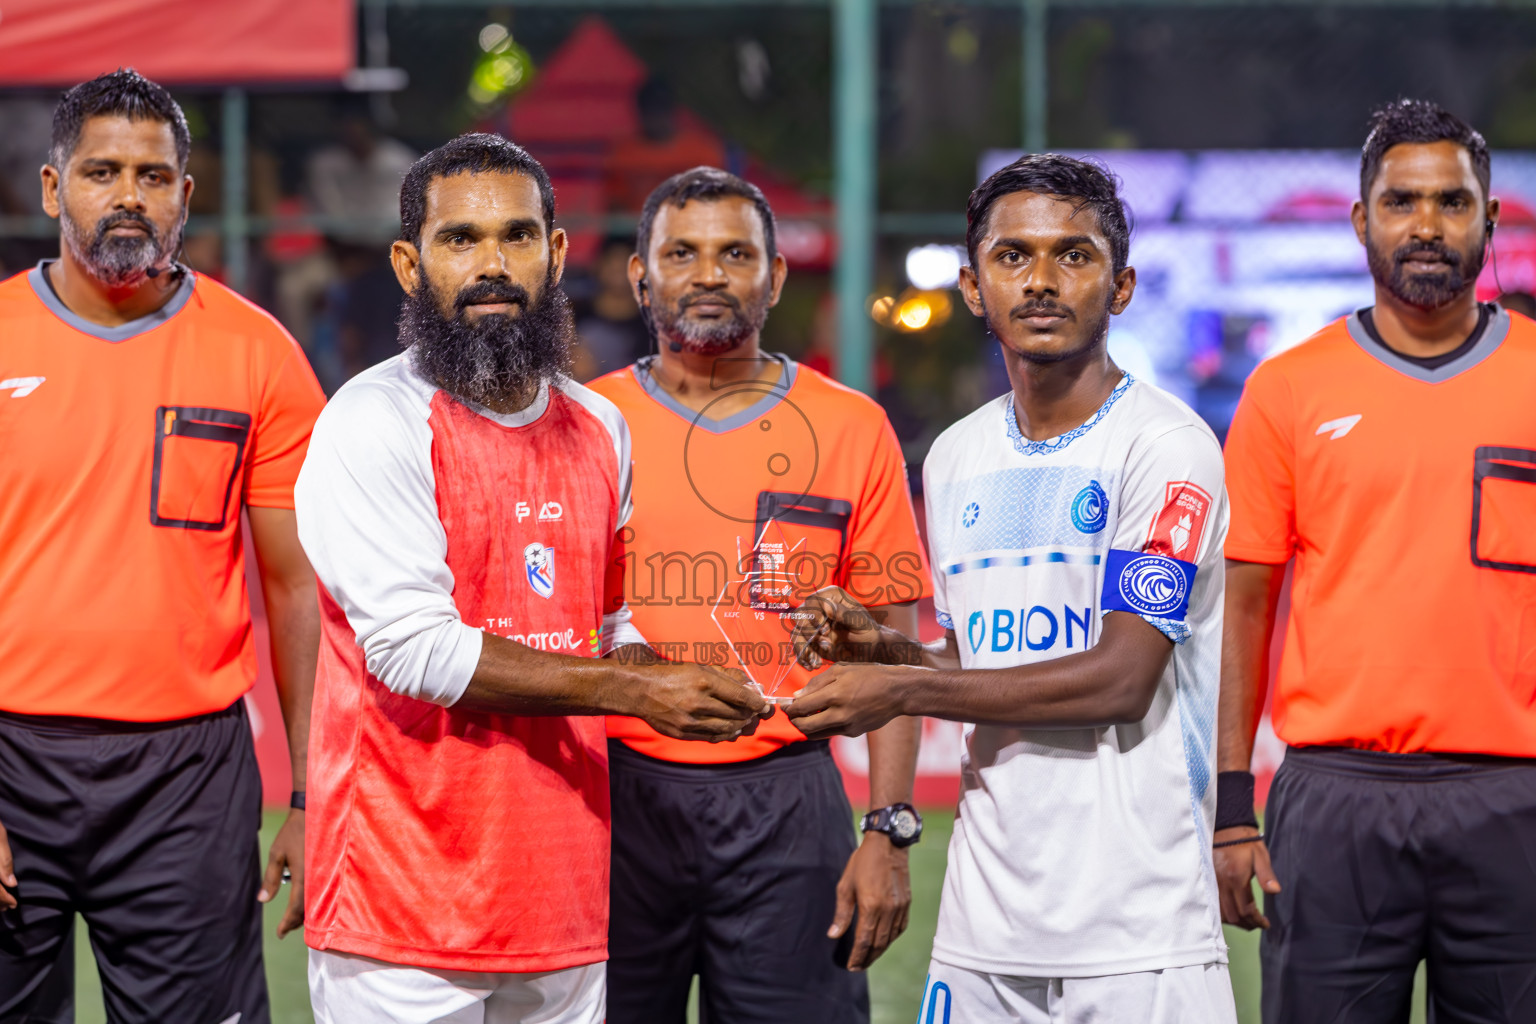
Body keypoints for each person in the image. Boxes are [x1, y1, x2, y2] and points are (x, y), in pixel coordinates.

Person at [295, 135, 766, 1024]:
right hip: (402, 903)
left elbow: (608, 622)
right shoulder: (369, 423)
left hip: (560, 895)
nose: (492, 266)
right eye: (460, 240)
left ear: (555, 253)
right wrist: (637, 692)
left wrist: (697, 677)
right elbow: (413, 652)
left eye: (516, 236)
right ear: (409, 262)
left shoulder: (600, 427)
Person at [786, 154, 1236, 1023]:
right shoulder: (955, 455)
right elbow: (979, 661)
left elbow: (1120, 677)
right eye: (1012, 256)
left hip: (1140, 938)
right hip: (982, 931)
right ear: (971, 284)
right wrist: (882, 648)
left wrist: (904, 682)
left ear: (1124, 285)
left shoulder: (1167, 448)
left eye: (1074, 256)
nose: (1040, 281)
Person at [0, 69, 324, 1022]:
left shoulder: (258, 353)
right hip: (10, 760)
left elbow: (296, 591)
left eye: (154, 174)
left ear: (187, 194)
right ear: (55, 189)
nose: (129, 195)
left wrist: (307, 795)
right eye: (102, 171)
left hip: (188, 778)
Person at [1215, 99, 1536, 1024]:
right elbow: (1245, 607)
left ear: (1490, 217)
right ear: (1362, 220)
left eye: (1451, 201)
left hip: (1514, 796)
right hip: (1338, 798)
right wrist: (1236, 804)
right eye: (1400, 201)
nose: (1426, 225)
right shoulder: (1287, 389)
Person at [587, 166, 928, 1023]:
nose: (708, 273)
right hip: (611, 801)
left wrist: (888, 827)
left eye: (735, 253)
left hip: (789, 800)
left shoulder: (851, 427)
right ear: (640, 277)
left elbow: (892, 644)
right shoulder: (583, 426)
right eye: (682, 253)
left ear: (774, 277)